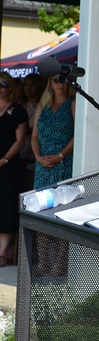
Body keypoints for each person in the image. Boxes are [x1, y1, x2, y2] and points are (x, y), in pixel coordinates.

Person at [0, 73, 28, 265]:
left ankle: (2, 253)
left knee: (6, 207)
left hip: (8, 166)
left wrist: (4, 160)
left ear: (10, 87)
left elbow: (20, 141)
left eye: (3, 84)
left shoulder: (17, 110)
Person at [31, 76, 75, 189]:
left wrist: (60, 156)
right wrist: (37, 156)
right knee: (42, 201)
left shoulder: (72, 104)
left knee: (62, 200)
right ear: (50, 83)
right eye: (56, 80)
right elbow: (34, 136)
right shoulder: (43, 106)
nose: (60, 84)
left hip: (64, 161)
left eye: (63, 80)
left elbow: (78, 136)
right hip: (43, 163)